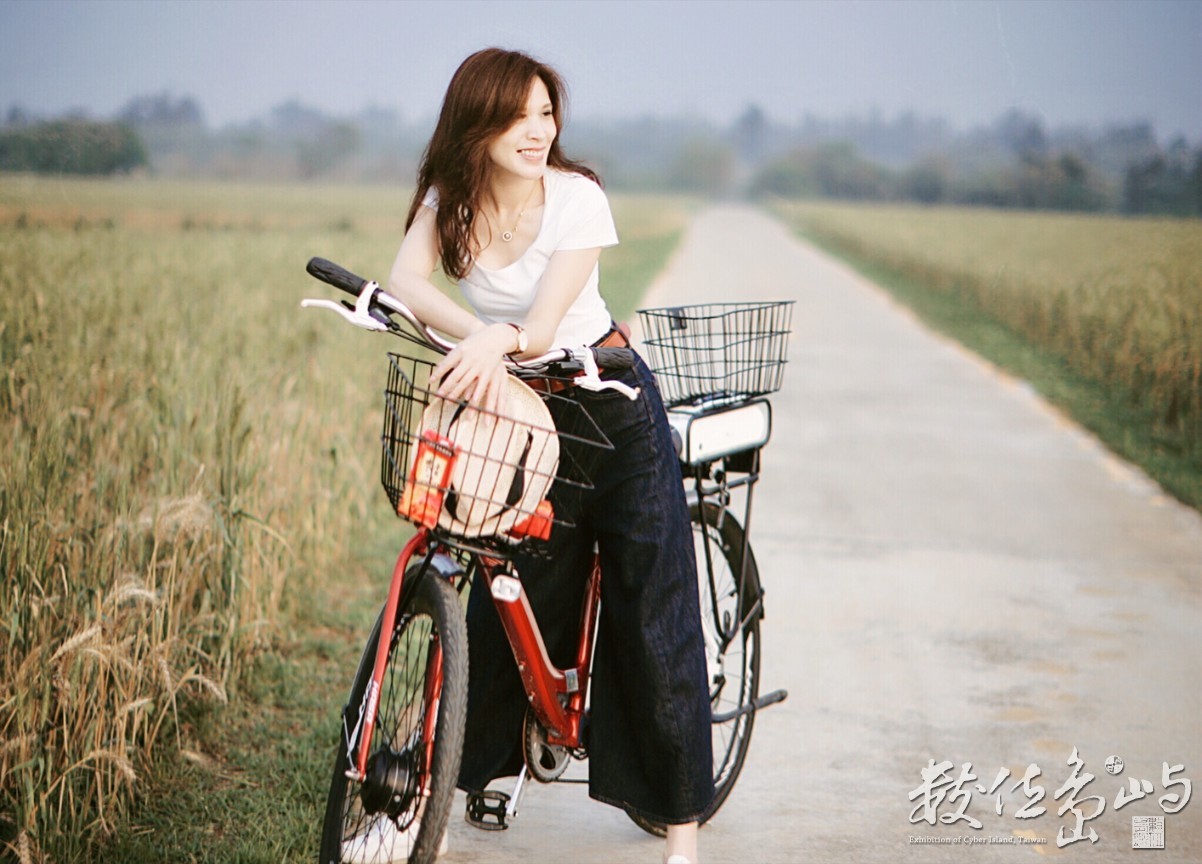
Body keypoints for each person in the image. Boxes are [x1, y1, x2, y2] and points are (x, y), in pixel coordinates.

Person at [389, 47, 713, 864]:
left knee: (651, 606)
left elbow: (539, 327)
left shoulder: (576, 199)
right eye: (520, 115)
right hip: (524, 414)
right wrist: (483, 343)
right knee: (517, 581)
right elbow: (406, 283)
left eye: (546, 113)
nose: (540, 131)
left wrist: (498, 339)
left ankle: (682, 834)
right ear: (478, 124)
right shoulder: (449, 203)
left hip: (609, 406)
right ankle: (483, 766)